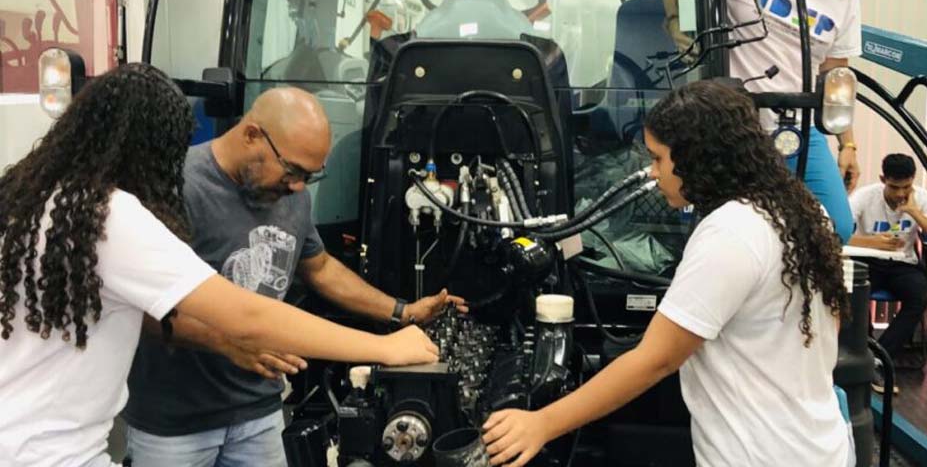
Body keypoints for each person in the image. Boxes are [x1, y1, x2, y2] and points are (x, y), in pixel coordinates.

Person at [0, 64, 438, 467]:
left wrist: (398, 311)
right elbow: (247, 315)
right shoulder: (113, 217)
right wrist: (385, 348)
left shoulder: (38, 203)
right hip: (60, 452)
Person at [483, 80, 851, 467]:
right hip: (820, 446)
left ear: (696, 157)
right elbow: (830, 324)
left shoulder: (731, 232)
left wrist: (541, 423)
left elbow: (654, 361)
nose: (653, 172)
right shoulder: (799, 210)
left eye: (658, 158)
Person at [123, 86, 465, 467]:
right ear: (252, 134)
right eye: (293, 170)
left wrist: (403, 311)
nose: (299, 186)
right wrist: (227, 342)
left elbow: (319, 267)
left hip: (259, 414)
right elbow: (144, 311)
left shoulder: (290, 195)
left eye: (311, 175)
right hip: (174, 423)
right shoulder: (176, 187)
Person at [721, 0, 885, 243]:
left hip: (796, 126)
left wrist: (848, 145)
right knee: (741, 227)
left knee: (836, 228)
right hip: (734, 122)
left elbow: (834, 75)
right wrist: (672, 18)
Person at [848, 153, 927, 391]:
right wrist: (874, 243)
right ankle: (863, 353)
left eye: (906, 187)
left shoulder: (922, 198)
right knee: (853, 295)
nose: (900, 194)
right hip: (868, 260)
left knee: (920, 297)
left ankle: (878, 359)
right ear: (883, 179)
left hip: (904, 263)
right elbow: (837, 232)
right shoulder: (865, 196)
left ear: (913, 181)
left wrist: (914, 212)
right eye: (894, 187)